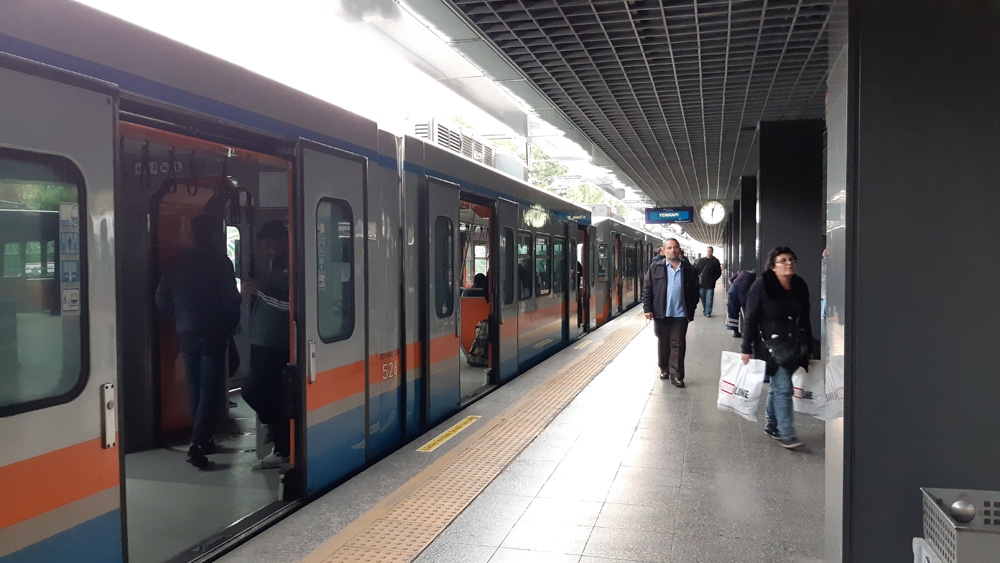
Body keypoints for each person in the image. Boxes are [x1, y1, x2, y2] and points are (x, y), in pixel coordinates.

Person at [155, 214, 241, 469]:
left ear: (192, 234)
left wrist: (176, 318)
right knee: (209, 389)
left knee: (194, 386)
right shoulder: (220, 262)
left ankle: (203, 438)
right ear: (214, 235)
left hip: (185, 330)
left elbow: (161, 299)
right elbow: (231, 300)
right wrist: (230, 325)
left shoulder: (175, 262)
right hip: (213, 332)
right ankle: (197, 442)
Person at [740, 246, 814, 450]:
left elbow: (805, 318)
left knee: (777, 386)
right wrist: (746, 348)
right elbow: (750, 318)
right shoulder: (762, 285)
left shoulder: (799, 285)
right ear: (773, 266)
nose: (788, 263)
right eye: (783, 260)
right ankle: (788, 434)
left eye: (791, 259)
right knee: (783, 387)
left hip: (793, 344)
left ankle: (771, 425)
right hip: (769, 345)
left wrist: (809, 347)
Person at [243, 220, 292, 470]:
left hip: (277, 345)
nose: (267, 251)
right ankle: (277, 435)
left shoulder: (292, 267)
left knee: (255, 392)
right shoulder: (278, 266)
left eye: (270, 245)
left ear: (283, 241)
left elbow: (291, 304)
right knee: (266, 394)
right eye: (264, 247)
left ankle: (283, 447)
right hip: (263, 342)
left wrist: (260, 292)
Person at [641, 238, 699, 388]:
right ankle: (664, 368)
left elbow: (695, 291)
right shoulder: (655, 268)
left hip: (680, 314)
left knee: (678, 344)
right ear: (663, 250)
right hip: (661, 313)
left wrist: (691, 307)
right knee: (663, 343)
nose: (672, 250)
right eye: (669, 248)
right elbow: (647, 289)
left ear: (679, 250)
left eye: (675, 247)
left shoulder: (688, 269)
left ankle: (676, 375)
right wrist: (647, 309)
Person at [726, 269, 756, 338]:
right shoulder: (753, 276)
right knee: (747, 312)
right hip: (743, 291)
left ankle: (735, 332)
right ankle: (749, 332)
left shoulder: (740, 273)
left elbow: (730, 281)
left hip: (732, 290)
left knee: (733, 311)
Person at [694, 246, 722, 317]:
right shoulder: (701, 260)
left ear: (712, 252)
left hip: (710, 283)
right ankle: (705, 309)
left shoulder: (716, 261)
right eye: (707, 251)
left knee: (709, 298)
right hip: (701, 283)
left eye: (710, 251)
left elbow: (718, 272)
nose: (708, 252)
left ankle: (708, 312)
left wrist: (713, 279)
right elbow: (696, 270)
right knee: (703, 297)